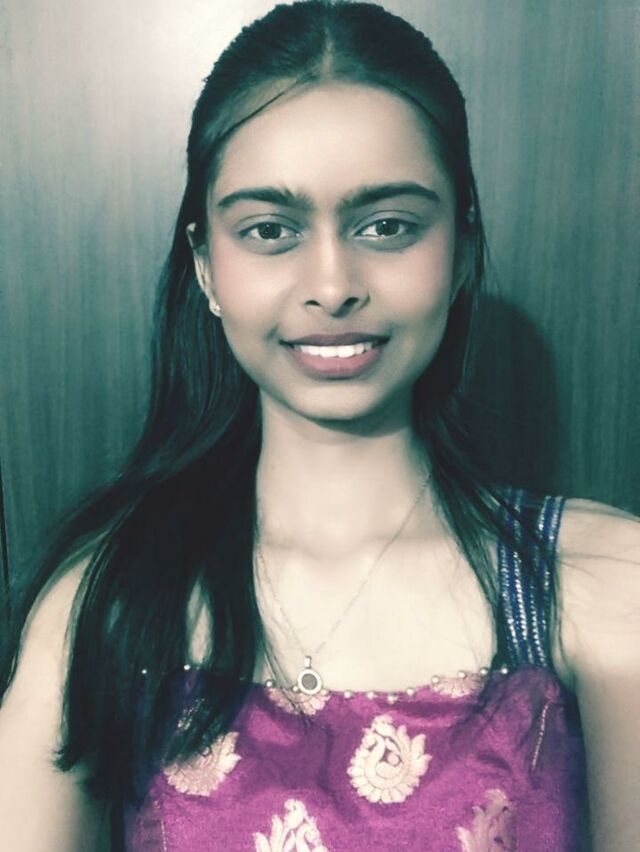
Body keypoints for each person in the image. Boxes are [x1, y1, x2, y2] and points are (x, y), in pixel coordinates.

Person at [1, 1, 638, 849]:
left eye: (388, 226)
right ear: (206, 266)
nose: (332, 285)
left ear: (460, 251)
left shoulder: (603, 588)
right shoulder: (103, 609)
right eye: (270, 230)